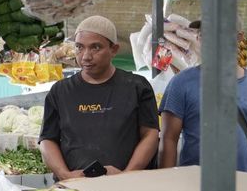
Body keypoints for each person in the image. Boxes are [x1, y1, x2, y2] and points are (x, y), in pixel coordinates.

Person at [40, 15, 159, 179]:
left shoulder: (137, 87)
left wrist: (127, 176)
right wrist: (65, 175)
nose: (86, 56)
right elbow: (47, 140)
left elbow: (150, 135)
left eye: (95, 47)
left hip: (127, 189)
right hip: (73, 190)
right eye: (79, 47)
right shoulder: (60, 91)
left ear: (114, 50)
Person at [160, 24, 247, 174]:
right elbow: (169, 139)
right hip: (194, 186)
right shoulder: (180, 83)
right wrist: (166, 183)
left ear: (239, 37)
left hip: (246, 185)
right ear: (198, 39)